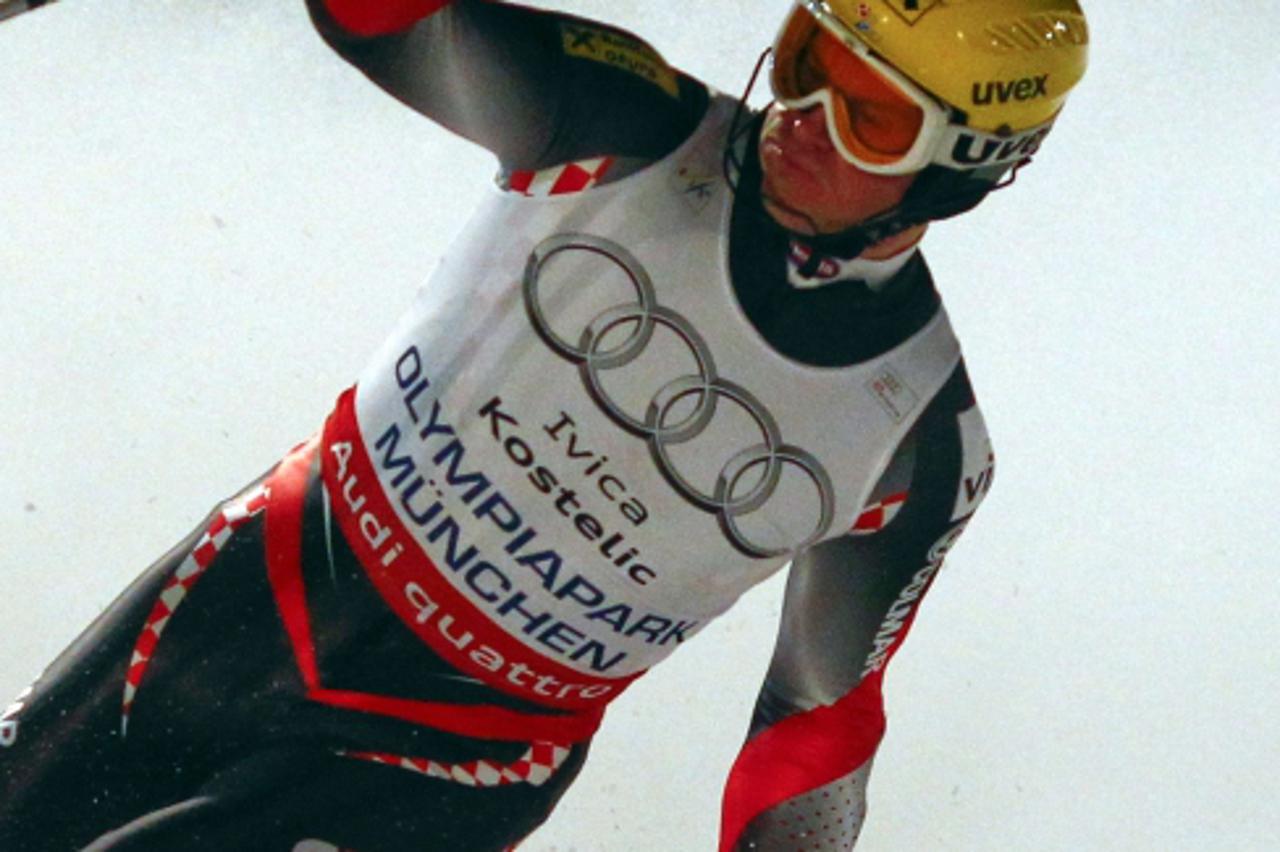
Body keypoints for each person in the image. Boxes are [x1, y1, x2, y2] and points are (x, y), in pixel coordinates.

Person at [0, 1, 1088, 848]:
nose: (801, 120)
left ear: (967, 163)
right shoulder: (626, 124)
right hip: (247, 597)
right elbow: (381, 19)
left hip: (441, 770)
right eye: (808, 59)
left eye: (871, 114)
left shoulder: (919, 440)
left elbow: (813, 722)